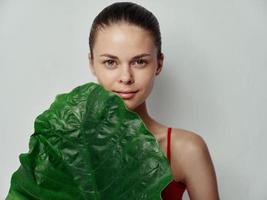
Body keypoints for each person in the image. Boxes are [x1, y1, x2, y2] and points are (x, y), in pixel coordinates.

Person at [88, 2, 220, 200]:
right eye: (110, 62)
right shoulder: (66, 144)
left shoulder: (185, 150)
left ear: (158, 64)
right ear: (92, 63)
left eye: (139, 61)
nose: (126, 77)